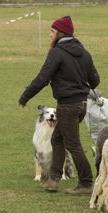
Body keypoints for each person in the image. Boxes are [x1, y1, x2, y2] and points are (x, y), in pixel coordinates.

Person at [18, 16, 100, 195]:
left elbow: (43, 77)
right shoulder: (84, 53)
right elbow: (95, 80)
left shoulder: (57, 52)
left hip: (68, 106)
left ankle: (86, 182)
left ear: (60, 33)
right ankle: (53, 180)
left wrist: (25, 96)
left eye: (52, 31)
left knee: (73, 144)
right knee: (57, 139)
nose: (50, 35)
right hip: (82, 104)